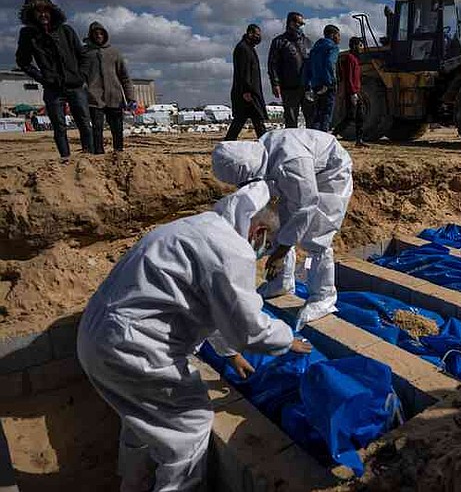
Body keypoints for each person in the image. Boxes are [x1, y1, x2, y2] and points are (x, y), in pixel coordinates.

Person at [77, 178, 312, 490]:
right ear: (259, 232)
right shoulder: (231, 250)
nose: (262, 252)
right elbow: (248, 328)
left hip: (99, 337)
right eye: (267, 246)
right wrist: (287, 340)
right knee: (189, 426)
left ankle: (134, 484)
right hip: (133, 348)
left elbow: (207, 304)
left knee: (143, 419)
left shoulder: (199, 227)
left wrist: (230, 354)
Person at [212, 128, 353, 330]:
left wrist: (280, 252)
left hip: (330, 172)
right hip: (303, 171)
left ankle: (323, 297)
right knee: (282, 222)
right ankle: (282, 282)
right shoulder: (261, 153)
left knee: (316, 237)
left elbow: (306, 205)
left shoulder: (291, 162)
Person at [15, 0, 93, 161]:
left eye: (45, 10)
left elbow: (83, 56)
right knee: (59, 127)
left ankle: (90, 157)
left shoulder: (66, 31)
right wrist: (43, 78)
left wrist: (81, 76)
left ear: (51, 11)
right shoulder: (28, 35)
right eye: (38, 11)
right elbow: (23, 61)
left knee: (84, 123)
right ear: (31, 14)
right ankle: (65, 159)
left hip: (75, 85)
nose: (43, 14)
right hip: (53, 88)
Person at [84, 21, 136, 153]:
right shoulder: (85, 53)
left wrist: (131, 97)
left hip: (115, 97)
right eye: (95, 34)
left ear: (105, 35)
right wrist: (85, 91)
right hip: (94, 98)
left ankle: (118, 152)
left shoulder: (114, 53)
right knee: (97, 128)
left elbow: (124, 77)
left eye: (101, 33)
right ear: (91, 35)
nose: (99, 36)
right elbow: (80, 75)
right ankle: (98, 154)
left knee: (117, 128)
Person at [268, 12, 313, 128]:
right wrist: (275, 83)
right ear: (291, 23)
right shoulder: (279, 42)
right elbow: (273, 64)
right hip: (289, 87)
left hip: (307, 86)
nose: (301, 26)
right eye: (299, 23)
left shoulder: (307, 42)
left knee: (311, 117)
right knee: (291, 119)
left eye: (303, 24)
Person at [224, 24, 267, 141]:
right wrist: (246, 90)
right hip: (247, 93)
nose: (259, 37)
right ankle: (266, 144)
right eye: (257, 34)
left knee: (252, 120)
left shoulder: (248, 48)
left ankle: (265, 143)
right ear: (250, 33)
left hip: (249, 92)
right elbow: (243, 71)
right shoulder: (243, 49)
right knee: (249, 120)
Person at [332, 36, 367, 146]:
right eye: (360, 45)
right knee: (350, 116)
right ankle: (333, 133)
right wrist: (352, 93)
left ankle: (359, 140)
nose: (361, 47)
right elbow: (349, 77)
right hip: (352, 92)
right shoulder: (350, 59)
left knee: (360, 116)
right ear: (354, 45)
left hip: (357, 91)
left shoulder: (355, 59)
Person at [307, 25, 341, 133]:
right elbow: (330, 63)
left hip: (315, 85)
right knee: (327, 113)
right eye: (338, 35)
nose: (339, 38)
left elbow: (308, 66)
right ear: (332, 35)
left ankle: (315, 137)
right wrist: (331, 81)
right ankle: (324, 138)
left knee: (317, 113)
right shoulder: (333, 47)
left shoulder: (315, 48)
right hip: (327, 84)